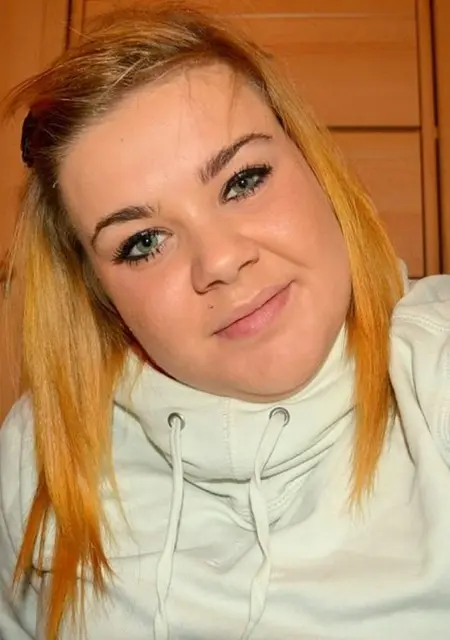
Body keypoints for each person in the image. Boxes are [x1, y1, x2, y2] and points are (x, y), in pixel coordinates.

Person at [1, 2, 450, 639]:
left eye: (244, 181)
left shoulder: (437, 373)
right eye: (143, 242)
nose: (219, 260)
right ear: (100, 294)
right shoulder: (36, 455)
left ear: (316, 167)